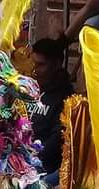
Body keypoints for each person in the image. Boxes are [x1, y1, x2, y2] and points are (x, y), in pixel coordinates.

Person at [29, 38, 74, 177]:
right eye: (34, 64)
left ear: (56, 64)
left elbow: (56, 140)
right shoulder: (28, 88)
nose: (35, 70)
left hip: (44, 170)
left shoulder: (66, 98)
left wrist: (30, 157)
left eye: (41, 65)